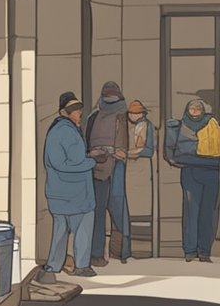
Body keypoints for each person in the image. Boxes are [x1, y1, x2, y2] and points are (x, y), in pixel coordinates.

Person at [36, 93, 99, 284]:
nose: (79, 112)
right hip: (73, 192)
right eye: (75, 110)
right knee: (81, 230)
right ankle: (80, 266)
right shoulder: (62, 132)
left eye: (79, 109)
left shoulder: (62, 129)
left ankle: (54, 266)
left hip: (63, 192)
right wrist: (91, 161)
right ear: (64, 112)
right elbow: (61, 164)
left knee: (61, 230)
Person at [165, 98, 220, 263]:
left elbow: (171, 153)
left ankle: (199, 251)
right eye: (192, 109)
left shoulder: (182, 126)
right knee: (200, 213)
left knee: (199, 213)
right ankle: (194, 251)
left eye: (197, 109)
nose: (195, 112)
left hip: (194, 171)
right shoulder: (213, 124)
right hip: (210, 171)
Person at [83, 82, 131, 266]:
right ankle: (97, 253)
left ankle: (120, 251)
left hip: (116, 166)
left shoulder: (122, 116)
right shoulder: (94, 116)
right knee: (99, 210)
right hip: (99, 166)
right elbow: (87, 143)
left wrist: (121, 152)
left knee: (117, 208)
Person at [124, 100, 156, 257]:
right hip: (127, 169)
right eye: (132, 113)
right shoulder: (123, 125)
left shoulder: (148, 126)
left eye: (137, 113)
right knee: (128, 204)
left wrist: (133, 153)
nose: (135, 115)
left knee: (142, 203)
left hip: (142, 168)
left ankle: (144, 244)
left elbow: (150, 150)